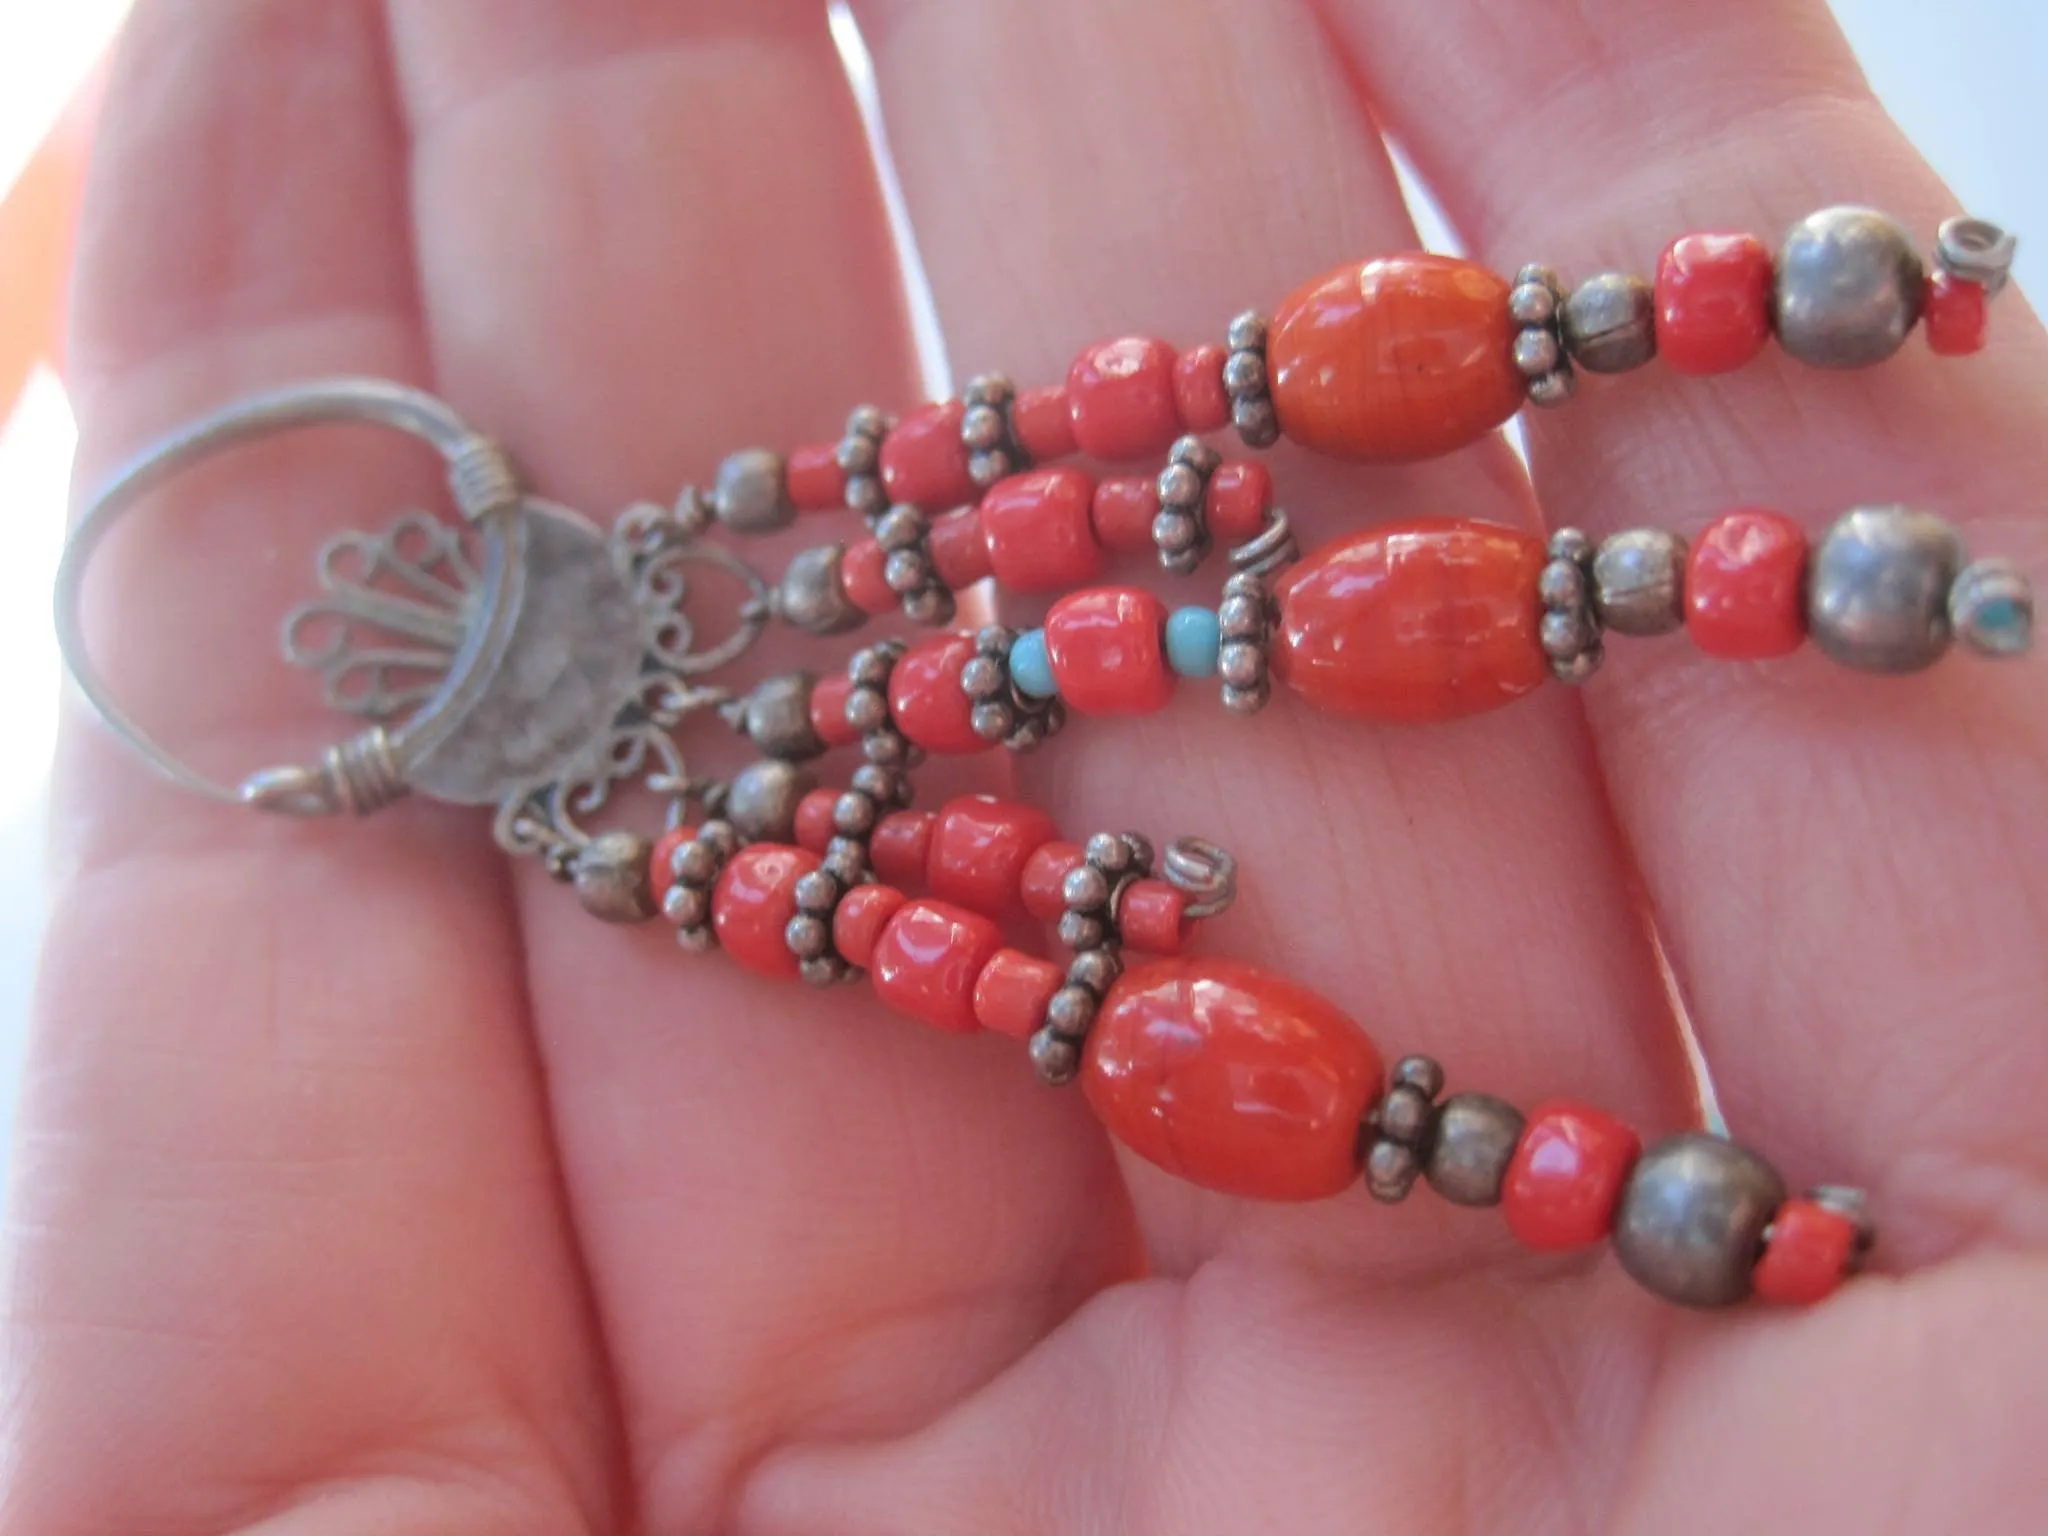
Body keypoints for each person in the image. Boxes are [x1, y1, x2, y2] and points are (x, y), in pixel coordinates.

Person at [11, 2, 2046, 1531]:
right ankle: (1852, 444)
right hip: (838, 765)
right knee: (1205, 648)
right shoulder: (658, 802)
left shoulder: (708, 646)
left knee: (1229, 498)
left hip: (866, 680)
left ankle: (1832, 418)